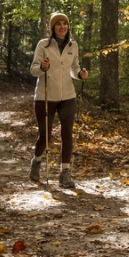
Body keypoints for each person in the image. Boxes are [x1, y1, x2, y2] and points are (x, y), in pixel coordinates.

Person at [29, 12, 87, 189]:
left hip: (68, 96)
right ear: (53, 27)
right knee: (45, 135)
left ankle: (65, 173)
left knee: (67, 134)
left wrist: (80, 74)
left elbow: (74, 67)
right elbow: (33, 69)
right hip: (45, 96)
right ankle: (37, 162)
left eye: (65, 23)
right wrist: (42, 67)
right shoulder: (43, 45)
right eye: (58, 24)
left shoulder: (73, 45)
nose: (62, 26)